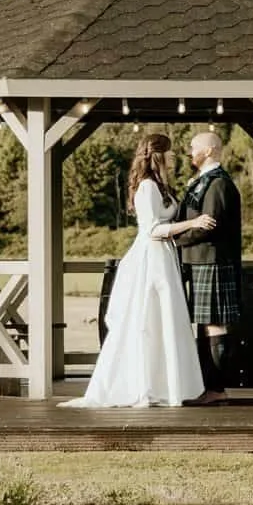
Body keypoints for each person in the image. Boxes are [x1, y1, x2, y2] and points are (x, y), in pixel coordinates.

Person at [66, 132, 203, 408]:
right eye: (170, 152)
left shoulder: (161, 186)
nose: (175, 156)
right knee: (147, 323)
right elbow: (153, 229)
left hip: (164, 258)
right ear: (158, 155)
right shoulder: (147, 188)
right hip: (151, 259)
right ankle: (144, 387)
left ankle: (166, 386)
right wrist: (193, 223)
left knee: (164, 321)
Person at [167, 129, 241, 405]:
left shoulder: (219, 183)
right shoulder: (204, 181)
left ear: (208, 151)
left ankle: (216, 389)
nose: (189, 151)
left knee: (214, 325)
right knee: (206, 325)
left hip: (212, 261)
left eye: (193, 147)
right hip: (198, 261)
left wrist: (173, 239)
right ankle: (207, 387)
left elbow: (210, 225)